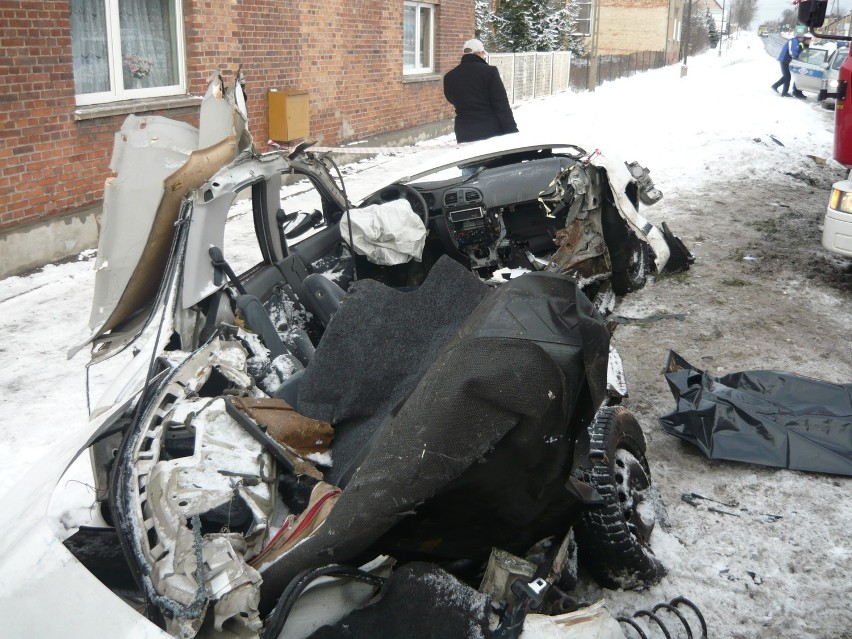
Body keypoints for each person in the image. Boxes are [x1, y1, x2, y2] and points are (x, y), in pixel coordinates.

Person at [443, 39, 518, 143]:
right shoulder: (490, 72)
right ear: (480, 53)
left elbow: (450, 98)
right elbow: (501, 105)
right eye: (483, 54)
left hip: (464, 131)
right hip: (490, 130)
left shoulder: (449, 77)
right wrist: (512, 132)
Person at [771, 33, 811, 98]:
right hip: (784, 60)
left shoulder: (796, 41)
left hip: (786, 60)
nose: (804, 39)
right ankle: (784, 93)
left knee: (786, 76)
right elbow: (792, 53)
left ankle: (775, 86)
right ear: (800, 37)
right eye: (803, 38)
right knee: (787, 77)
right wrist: (797, 56)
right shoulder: (794, 41)